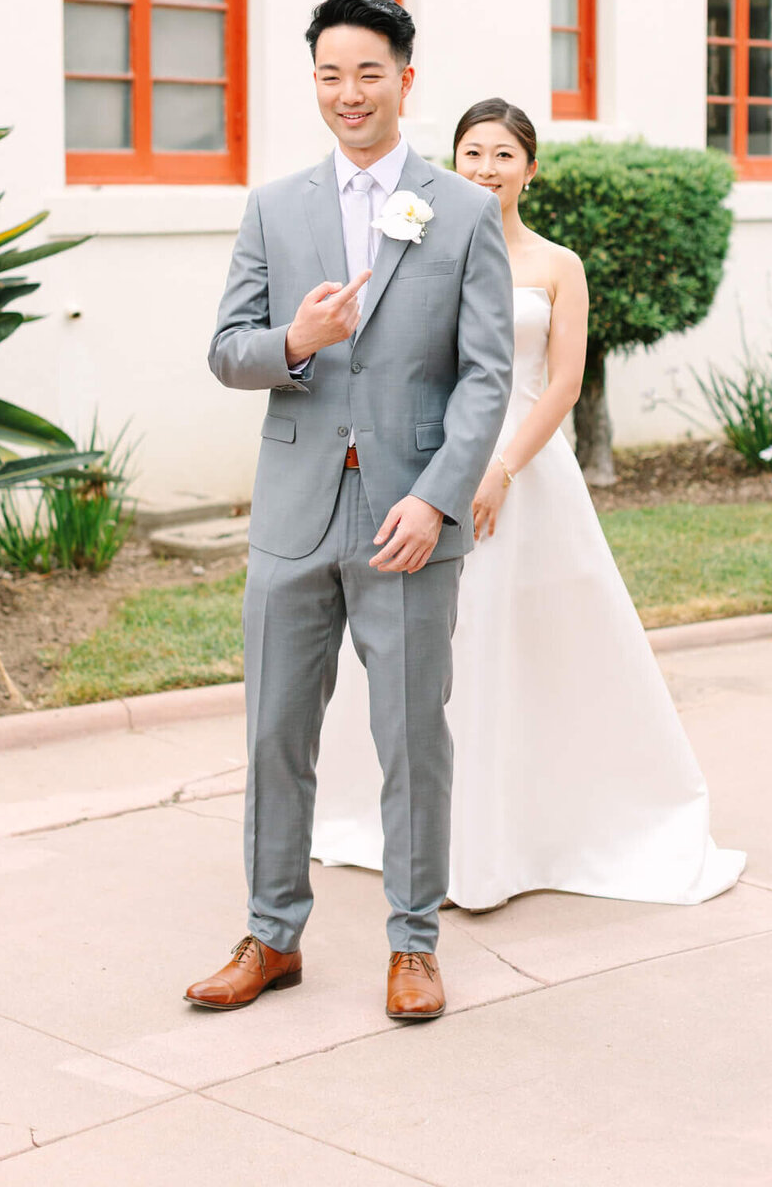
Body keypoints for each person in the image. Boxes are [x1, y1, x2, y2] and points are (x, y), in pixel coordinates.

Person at [312, 98, 745, 911]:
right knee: (435, 639)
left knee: (531, 643)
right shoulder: (419, 249)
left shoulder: (558, 265)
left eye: (503, 154)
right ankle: (423, 832)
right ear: (451, 163)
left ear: (530, 169)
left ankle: (528, 830)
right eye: (472, 153)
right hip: (433, 467)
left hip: (527, 469)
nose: (486, 168)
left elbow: (564, 384)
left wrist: (502, 467)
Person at [186, 0, 514, 1021]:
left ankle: (413, 942)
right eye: (330, 74)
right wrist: (294, 338)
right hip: (293, 516)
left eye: (367, 73)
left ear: (405, 80)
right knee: (275, 732)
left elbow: (486, 376)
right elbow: (228, 350)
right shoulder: (274, 207)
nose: (348, 94)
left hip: (407, 524)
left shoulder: (460, 210)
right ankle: (271, 933)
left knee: (414, 736)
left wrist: (436, 498)